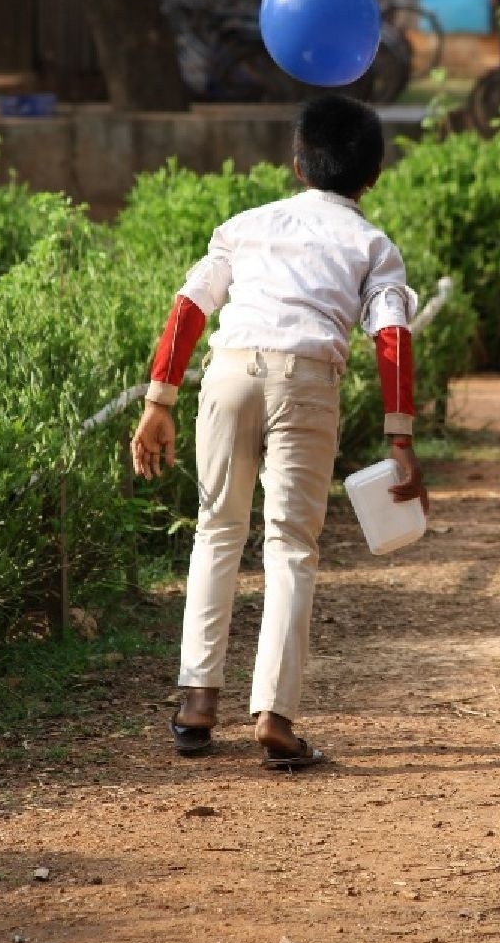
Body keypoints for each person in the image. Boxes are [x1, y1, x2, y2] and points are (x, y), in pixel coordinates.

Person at [130, 95, 428, 769]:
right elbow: (392, 335)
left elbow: (189, 307)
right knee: (291, 546)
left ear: (297, 164)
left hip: (230, 374)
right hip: (306, 380)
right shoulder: (373, 244)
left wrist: (159, 399)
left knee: (216, 530)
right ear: (372, 176)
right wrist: (400, 436)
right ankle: (275, 714)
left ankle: (197, 703)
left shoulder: (245, 225)